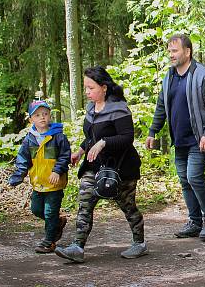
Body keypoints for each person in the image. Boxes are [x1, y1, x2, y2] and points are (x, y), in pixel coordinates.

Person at [55, 66, 146, 263]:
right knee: (85, 202)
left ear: (104, 87)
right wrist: (80, 151)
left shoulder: (118, 108)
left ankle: (139, 243)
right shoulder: (91, 108)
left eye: (91, 88)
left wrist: (104, 142)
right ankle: (77, 247)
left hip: (121, 168)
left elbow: (127, 138)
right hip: (94, 166)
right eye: (86, 88)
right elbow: (90, 136)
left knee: (128, 206)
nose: (87, 92)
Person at [147, 34, 205, 241]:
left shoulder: (202, 74)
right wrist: (153, 131)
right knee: (184, 180)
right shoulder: (169, 77)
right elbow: (161, 106)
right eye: (169, 51)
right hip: (179, 139)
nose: (171, 55)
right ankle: (195, 221)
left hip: (200, 138)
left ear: (187, 52)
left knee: (194, 177)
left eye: (175, 51)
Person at [8, 100, 71, 254]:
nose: (42, 117)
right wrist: (18, 176)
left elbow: (65, 156)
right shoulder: (29, 139)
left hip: (54, 183)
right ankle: (56, 223)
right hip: (38, 183)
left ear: (50, 116)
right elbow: (23, 160)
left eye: (45, 114)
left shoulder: (58, 137)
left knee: (50, 212)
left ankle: (49, 242)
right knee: (36, 210)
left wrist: (57, 171)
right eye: (37, 115)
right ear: (31, 119)